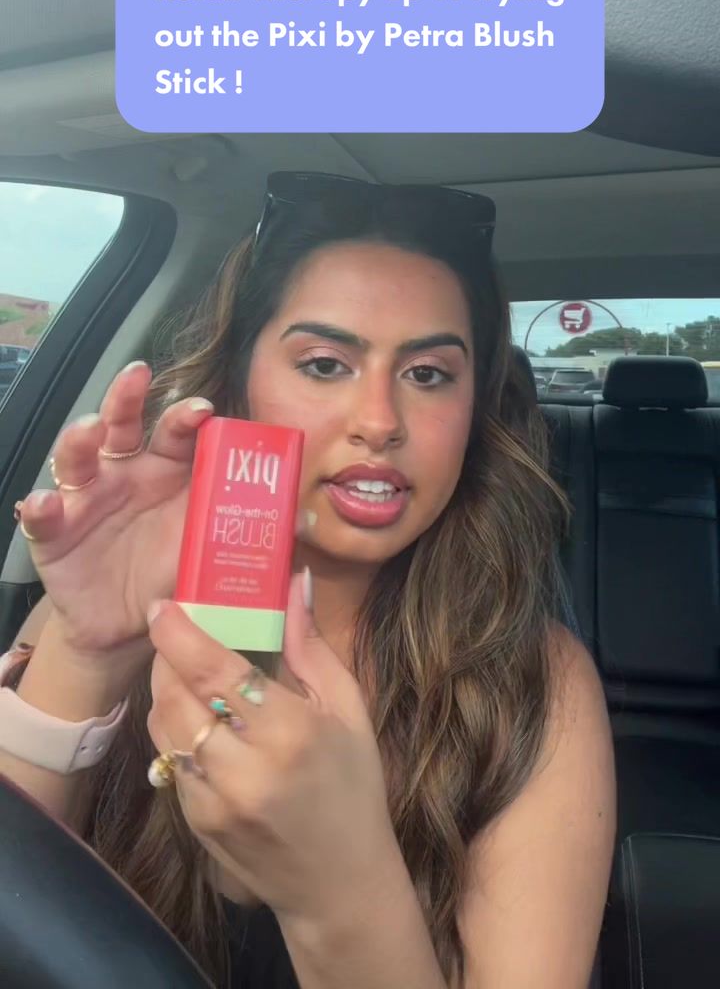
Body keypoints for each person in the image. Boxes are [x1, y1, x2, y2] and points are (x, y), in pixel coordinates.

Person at [1, 173, 615, 989]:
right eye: (325, 364)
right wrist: (85, 653)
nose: (379, 422)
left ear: (476, 412)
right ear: (239, 383)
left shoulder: (535, 682)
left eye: (428, 374)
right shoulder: (102, 606)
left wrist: (340, 890)